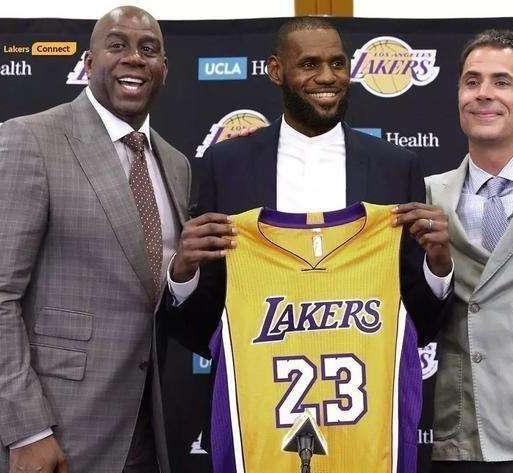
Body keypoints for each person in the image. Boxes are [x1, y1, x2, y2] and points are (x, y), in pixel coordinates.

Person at [0, 6, 190, 473]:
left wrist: (183, 276)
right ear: (88, 61)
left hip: (140, 453)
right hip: (49, 451)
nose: (134, 58)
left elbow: (152, 291)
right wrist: (27, 432)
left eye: (148, 49)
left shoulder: (174, 163)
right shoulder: (31, 139)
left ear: (164, 68)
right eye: (117, 45)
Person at [170, 16, 453, 351]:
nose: (327, 76)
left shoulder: (395, 167)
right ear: (276, 71)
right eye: (309, 64)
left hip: (366, 371)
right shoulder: (227, 164)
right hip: (258, 373)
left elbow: (418, 317)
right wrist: (184, 274)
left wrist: (438, 268)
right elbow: (206, 314)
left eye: (338, 64)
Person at [426, 29, 513, 473]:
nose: (484, 94)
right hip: (472, 449)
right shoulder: (427, 195)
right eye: (471, 82)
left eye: (501, 81)